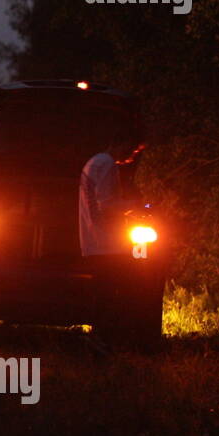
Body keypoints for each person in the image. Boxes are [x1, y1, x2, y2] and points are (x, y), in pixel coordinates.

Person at [79, 136, 137, 321]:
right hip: (107, 241)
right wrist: (132, 205)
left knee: (101, 289)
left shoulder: (94, 162)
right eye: (132, 151)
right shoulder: (107, 164)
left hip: (94, 239)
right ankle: (105, 335)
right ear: (118, 144)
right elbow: (106, 203)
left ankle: (100, 334)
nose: (131, 157)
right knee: (110, 289)